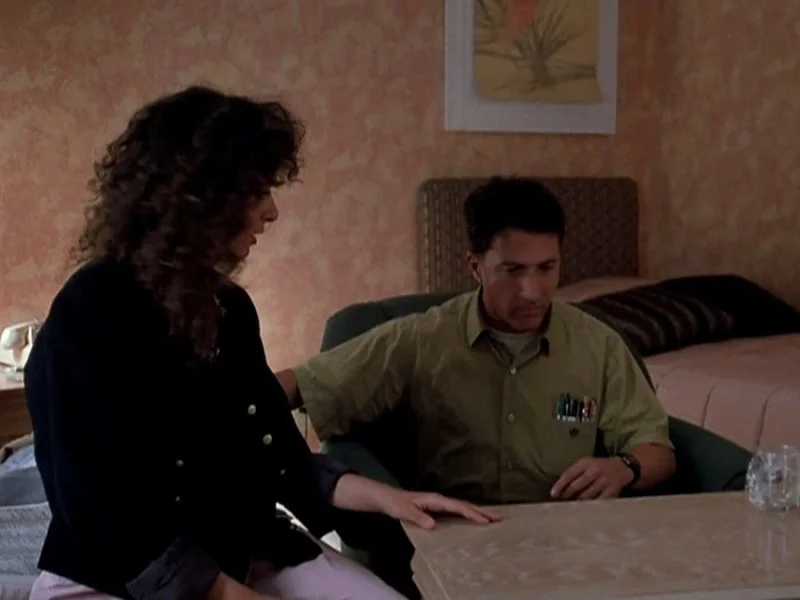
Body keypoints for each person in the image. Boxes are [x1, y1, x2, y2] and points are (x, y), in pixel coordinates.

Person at [23, 85, 500, 600]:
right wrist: (226, 592)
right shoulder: (91, 309)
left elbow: (283, 461)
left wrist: (394, 499)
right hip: (117, 575)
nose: (271, 212)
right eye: (256, 191)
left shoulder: (229, 308)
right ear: (197, 196)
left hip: (242, 549)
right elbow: (106, 509)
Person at [277, 176, 677, 507]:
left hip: (567, 537)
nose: (533, 291)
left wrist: (623, 468)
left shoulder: (598, 344)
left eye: (547, 268)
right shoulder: (422, 338)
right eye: (513, 270)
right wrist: (238, 414)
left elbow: (657, 449)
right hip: (455, 532)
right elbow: (304, 384)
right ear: (475, 266)